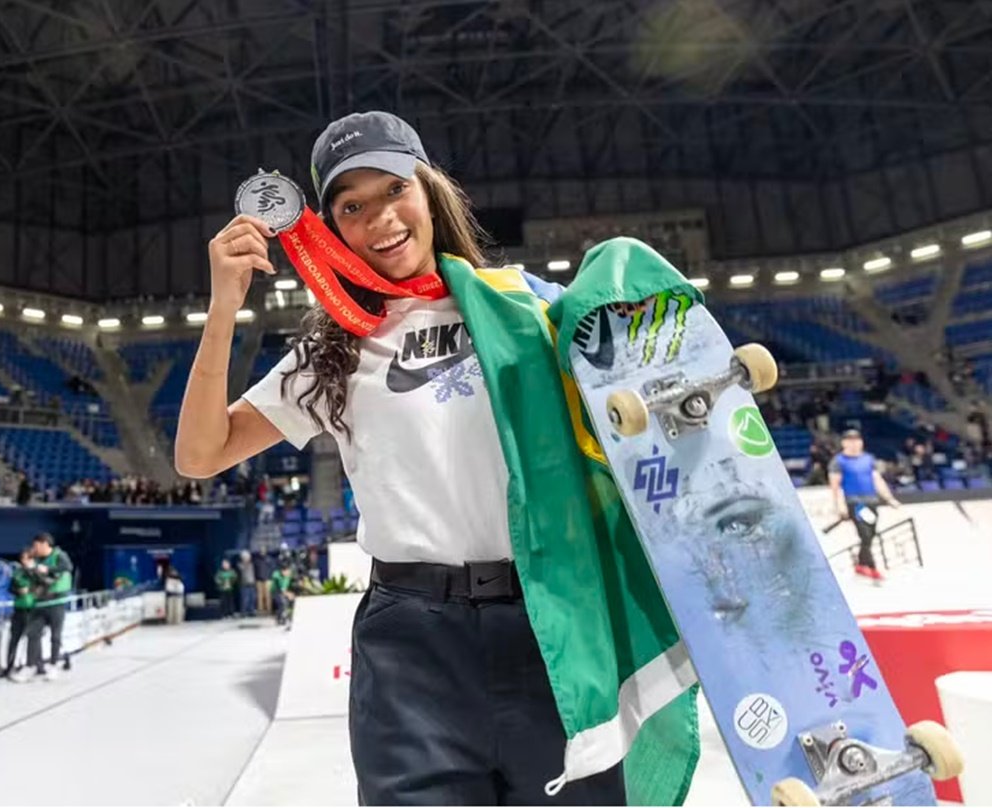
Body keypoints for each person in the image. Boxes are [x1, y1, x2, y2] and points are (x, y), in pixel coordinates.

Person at [171, 111, 696, 805]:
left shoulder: (529, 307)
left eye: (392, 190)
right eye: (351, 206)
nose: (380, 219)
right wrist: (223, 306)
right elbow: (200, 454)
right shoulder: (334, 351)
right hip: (411, 649)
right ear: (329, 231)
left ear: (428, 190)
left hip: (551, 629)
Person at [829, 428, 902, 581]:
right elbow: (835, 486)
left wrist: (889, 498)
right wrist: (840, 506)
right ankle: (872, 566)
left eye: (857, 440)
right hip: (855, 502)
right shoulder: (839, 461)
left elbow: (877, 480)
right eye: (850, 441)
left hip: (871, 501)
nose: (854, 444)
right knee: (865, 534)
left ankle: (861, 563)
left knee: (870, 534)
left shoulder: (868, 459)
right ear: (844, 443)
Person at [14, 532, 73, 683]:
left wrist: (46, 569)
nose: (35, 549)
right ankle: (30, 666)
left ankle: (53, 666)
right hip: (39, 603)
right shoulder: (36, 559)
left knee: (55, 636)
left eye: (36, 546)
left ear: (44, 544)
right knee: (32, 634)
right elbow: (33, 578)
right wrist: (29, 569)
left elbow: (67, 567)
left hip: (56, 603)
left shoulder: (59, 555)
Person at [5, 549, 35, 675]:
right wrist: (19, 591)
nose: (24, 561)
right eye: (23, 559)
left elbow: (43, 587)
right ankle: (10, 666)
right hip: (18, 609)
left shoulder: (36, 573)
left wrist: (30, 589)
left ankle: (29, 665)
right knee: (14, 639)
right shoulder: (17, 574)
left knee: (31, 640)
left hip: (32, 609)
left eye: (27, 559)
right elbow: (10, 589)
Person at [270, 557, 294, 627]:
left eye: (289, 571)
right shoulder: (277, 576)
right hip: (275, 591)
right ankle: (279, 618)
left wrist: (291, 593)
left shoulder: (288, 575)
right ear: (283, 571)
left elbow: (287, 586)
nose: (288, 573)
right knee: (282, 604)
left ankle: (285, 617)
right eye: (287, 572)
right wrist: (288, 595)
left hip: (284, 590)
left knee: (287, 603)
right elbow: (282, 590)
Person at [236, 550, 257, 617]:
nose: (248, 558)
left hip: (252, 584)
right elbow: (241, 570)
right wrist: (245, 563)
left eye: (248, 557)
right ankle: (243, 612)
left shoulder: (252, 564)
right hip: (244, 584)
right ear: (242, 558)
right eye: (246, 557)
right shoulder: (240, 565)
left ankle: (251, 611)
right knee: (245, 599)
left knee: (252, 598)